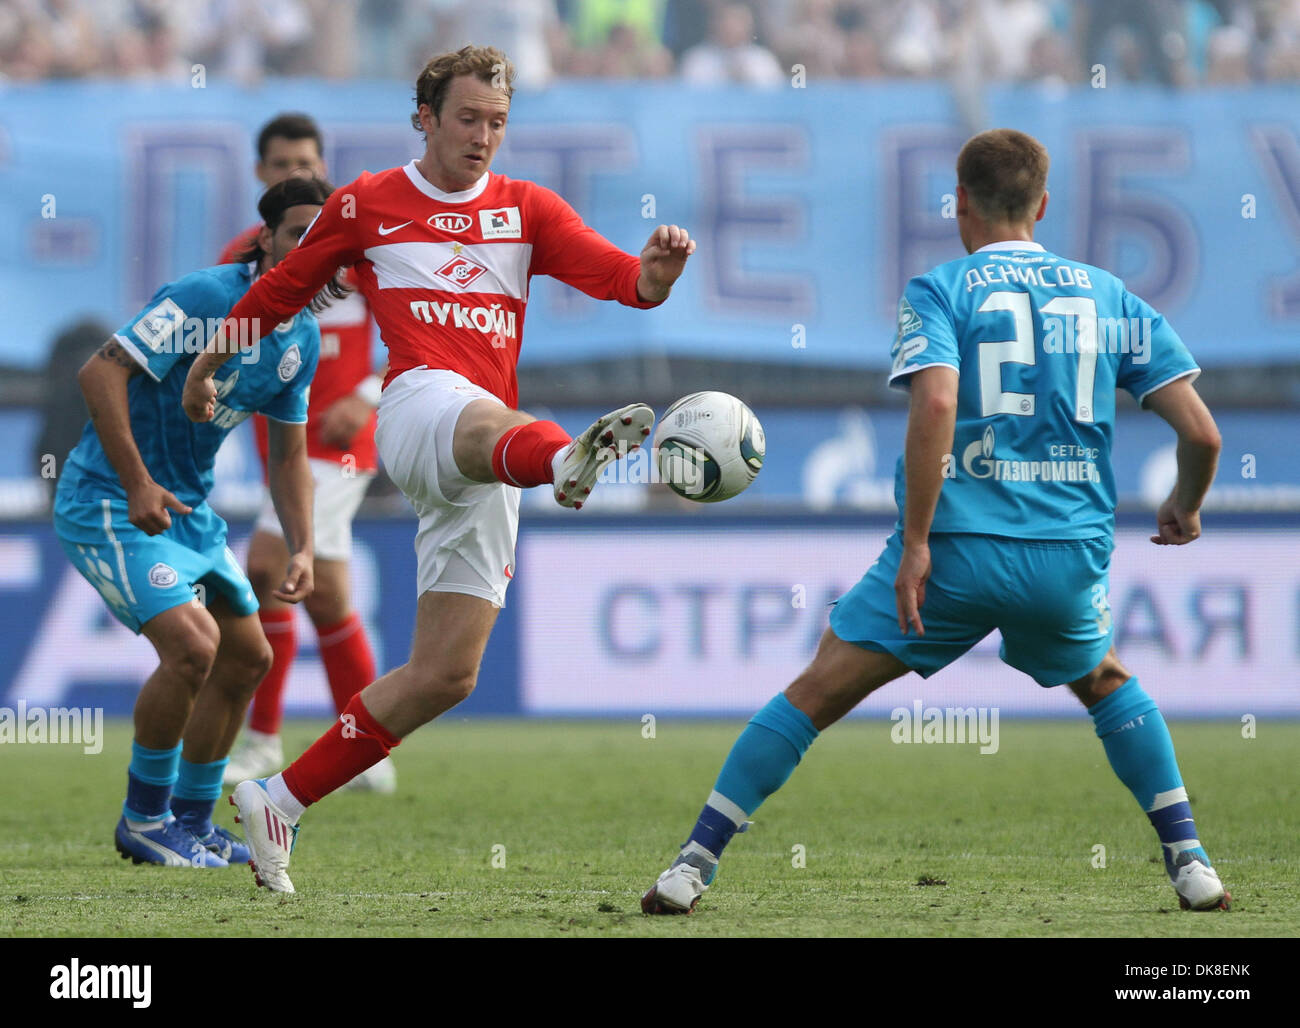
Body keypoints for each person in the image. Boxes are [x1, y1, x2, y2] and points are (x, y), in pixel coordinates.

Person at [641, 128, 1230, 915]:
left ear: (960, 204)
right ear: (1043, 204)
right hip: (1064, 558)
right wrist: (1185, 506)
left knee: (815, 692)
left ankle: (691, 866)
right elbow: (1202, 433)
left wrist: (917, 543)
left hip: (952, 553)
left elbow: (941, 403)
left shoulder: (940, 289)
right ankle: (1191, 861)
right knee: (1107, 682)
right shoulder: (1108, 296)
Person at [180, 44, 695, 892]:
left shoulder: (527, 209)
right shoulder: (367, 202)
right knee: (493, 418)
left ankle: (280, 800)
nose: (483, 135)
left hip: (490, 461)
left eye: (496, 121)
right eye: (467, 118)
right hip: (420, 406)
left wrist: (657, 276)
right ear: (424, 116)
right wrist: (208, 362)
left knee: (446, 674)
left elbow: (621, 280)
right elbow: (281, 289)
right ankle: (566, 455)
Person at [54, 176, 329, 868]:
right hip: (109, 502)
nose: (310, 249)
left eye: (325, 240)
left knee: (248, 658)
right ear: (266, 239)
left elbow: (289, 457)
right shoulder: (207, 297)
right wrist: (138, 481)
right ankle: (143, 821)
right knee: (193, 649)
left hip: (188, 515)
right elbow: (99, 373)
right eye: (298, 233)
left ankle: (191, 820)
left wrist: (305, 545)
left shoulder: (302, 337)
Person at [220, 113, 393, 794]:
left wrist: (370, 393)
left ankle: (262, 740)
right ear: (262, 175)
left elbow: (420, 332)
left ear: (323, 169)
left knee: (265, 567)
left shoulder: (361, 250)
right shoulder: (246, 255)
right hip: (282, 450)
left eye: (306, 163)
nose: (295, 174)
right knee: (327, 597)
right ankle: (368, 749)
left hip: (342, 445)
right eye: (282, 165)